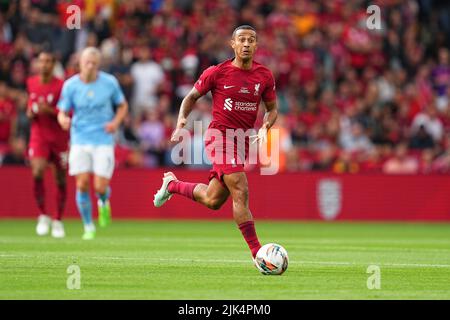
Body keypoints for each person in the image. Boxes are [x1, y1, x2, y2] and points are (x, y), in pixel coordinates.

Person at [153, 25, 278, 262]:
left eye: (251, 40)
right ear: (232, 44)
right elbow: (191, 97)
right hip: (219, 137)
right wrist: (182, 118)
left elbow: (272, 109)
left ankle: (172, 186)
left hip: (241, 142)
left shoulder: (264, 75)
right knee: (240, 188)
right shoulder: (217, 72)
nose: (246, 44)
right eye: (241, 39)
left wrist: (265, 126)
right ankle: (258, 253)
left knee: (213, 200)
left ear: (256, 45)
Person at [57, 47, 128, 240]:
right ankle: (88, 226)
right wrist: (63, 119)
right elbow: (62, 110)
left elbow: (122, 105)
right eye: (87, 62)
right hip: (79, 139)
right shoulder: (70, 86)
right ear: (80, 63)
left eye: (94, 63)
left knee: (99, 187)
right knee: (81, 184)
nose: (90, 66)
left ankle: (103, 202)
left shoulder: (109, 83)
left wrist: (115, 123)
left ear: (98, 65)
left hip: (103, 140)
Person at [26, 51, 69, 238]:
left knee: (60, 179)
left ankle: (57, 219)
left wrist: (49, 110)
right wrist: (30, 112)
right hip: (39, 136)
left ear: (53, 64)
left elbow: (67, 111)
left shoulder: (62, 86)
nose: (43, 64)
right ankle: (43, 214)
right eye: (41, 61)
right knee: (37, 172)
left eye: (48, 61)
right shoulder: (31, 82)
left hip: (59, 138)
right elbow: (31, 105)